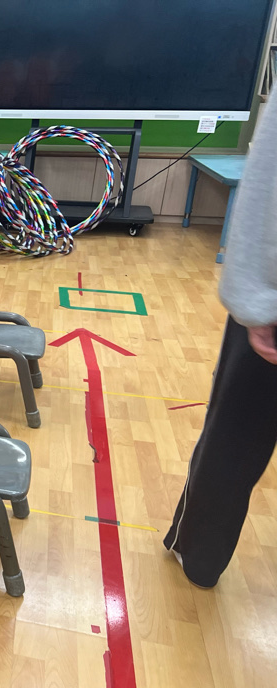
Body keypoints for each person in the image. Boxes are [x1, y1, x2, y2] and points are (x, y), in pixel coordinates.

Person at [163, 100, 277, 589]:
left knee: (236, 436)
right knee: (237, 438)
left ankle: (198, 551)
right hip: (268, 315)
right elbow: (267, 180)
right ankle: (198, 552)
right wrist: (257, 299)